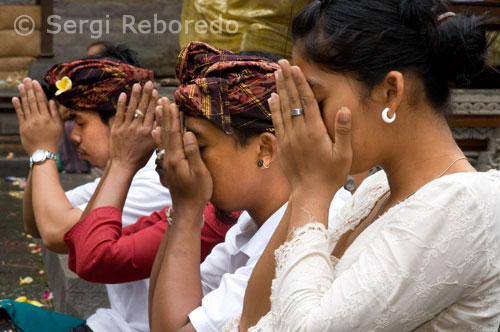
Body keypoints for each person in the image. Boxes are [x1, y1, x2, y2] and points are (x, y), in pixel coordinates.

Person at [231, 1, 500, 331]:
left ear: (390, 92)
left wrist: (311, 192)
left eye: (315, 101)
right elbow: (252, 321)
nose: (305, 121)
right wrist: (303, 190)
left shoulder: (471, 205)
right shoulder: (375, 192)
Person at [148, 41, 351, 332]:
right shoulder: (254, 222)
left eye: (199, 146)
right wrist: (182, 207)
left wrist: (187, 209)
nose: (189, 162)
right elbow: (163, 313)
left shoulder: (318, 221)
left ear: (265, 150)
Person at [11, 49, 172, 332]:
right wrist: (41, 151)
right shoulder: (118, 178)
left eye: (80, 122)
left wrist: (43, 151)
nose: (73, 136)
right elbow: (35, 222)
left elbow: (54, 233)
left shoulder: (158, 181)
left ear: (122, 119)